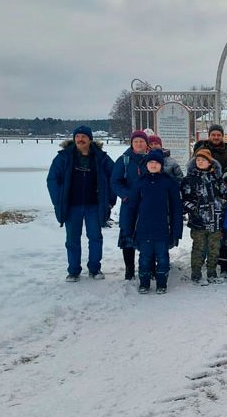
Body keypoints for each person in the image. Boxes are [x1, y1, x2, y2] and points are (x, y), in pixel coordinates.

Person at [47, 125, 115, 282]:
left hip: (94, 206)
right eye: (77, 136)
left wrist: (110, 201)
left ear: (90, 139)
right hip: (72, 206)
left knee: (95, 237)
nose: (80, 139)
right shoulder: (63, 157)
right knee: (72, 239)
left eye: (84, 136)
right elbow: (52, 180)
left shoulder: (101, 158)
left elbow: (113, 178)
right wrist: (58, 201)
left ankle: (94, 269)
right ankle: (73, 270)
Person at [120, 149, 183, 294]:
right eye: (150, 163)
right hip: (143, 229)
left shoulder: (169, 182)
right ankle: (144, 283)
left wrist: (176, 232)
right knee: (144, 258)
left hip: (162, 229)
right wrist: (128, 229)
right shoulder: (140, 182)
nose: (153, 165)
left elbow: (176, 209)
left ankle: (162, 284)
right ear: (146, 165)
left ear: (161, 165)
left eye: (156, 163)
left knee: (162, 258)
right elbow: (132, 208)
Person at [181, 149, 225, 283]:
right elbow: (184, 198)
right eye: (198, 160)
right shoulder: (189, 179)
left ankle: (211, 271)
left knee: (214, 248)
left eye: (204, 160)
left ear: (210, 162)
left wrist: (222, 204)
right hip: (198, 220)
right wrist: (193, 208)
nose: (200, 162)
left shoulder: (216, 178)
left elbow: (224, 193)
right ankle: (196, 272)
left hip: (215, 220)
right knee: (198, 248)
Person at [111, 130, 150, 280]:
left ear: (146, 143)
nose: (139, 144)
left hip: (147, 204)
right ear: (132, 143)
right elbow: (115, 181)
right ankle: (129, 269)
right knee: (128, 235)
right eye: (136, 141)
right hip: (130, 204)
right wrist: (126, 195)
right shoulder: (124, 160)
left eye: (141, 141)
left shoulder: (152, 159)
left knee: (147, 236)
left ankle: (147, 267)